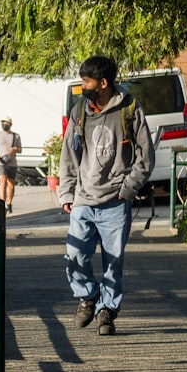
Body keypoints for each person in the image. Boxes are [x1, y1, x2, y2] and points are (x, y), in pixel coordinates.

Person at [58, 55, 154, 336]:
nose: (82, 85)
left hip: (116, 201)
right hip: (84, 200)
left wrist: (128, 188)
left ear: (103, 83)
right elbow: (69, 152)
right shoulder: (80, 110)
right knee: (75, 256)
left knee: (114, 262)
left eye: (87, 80)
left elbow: (145, 158)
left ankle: (107, 312)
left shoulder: (130, 110)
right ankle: (88, 296)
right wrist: (67, 190)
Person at [0, 116, 22, 213]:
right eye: (3, 123)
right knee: (3, 183)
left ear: (10, 125)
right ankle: (1, 205)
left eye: (6, 123)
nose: (4, 125)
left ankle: (9, 203)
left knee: (11, 185)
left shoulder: (16, 136)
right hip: (1, 162)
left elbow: (20, 149)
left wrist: (15, 149)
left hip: (12, 163)